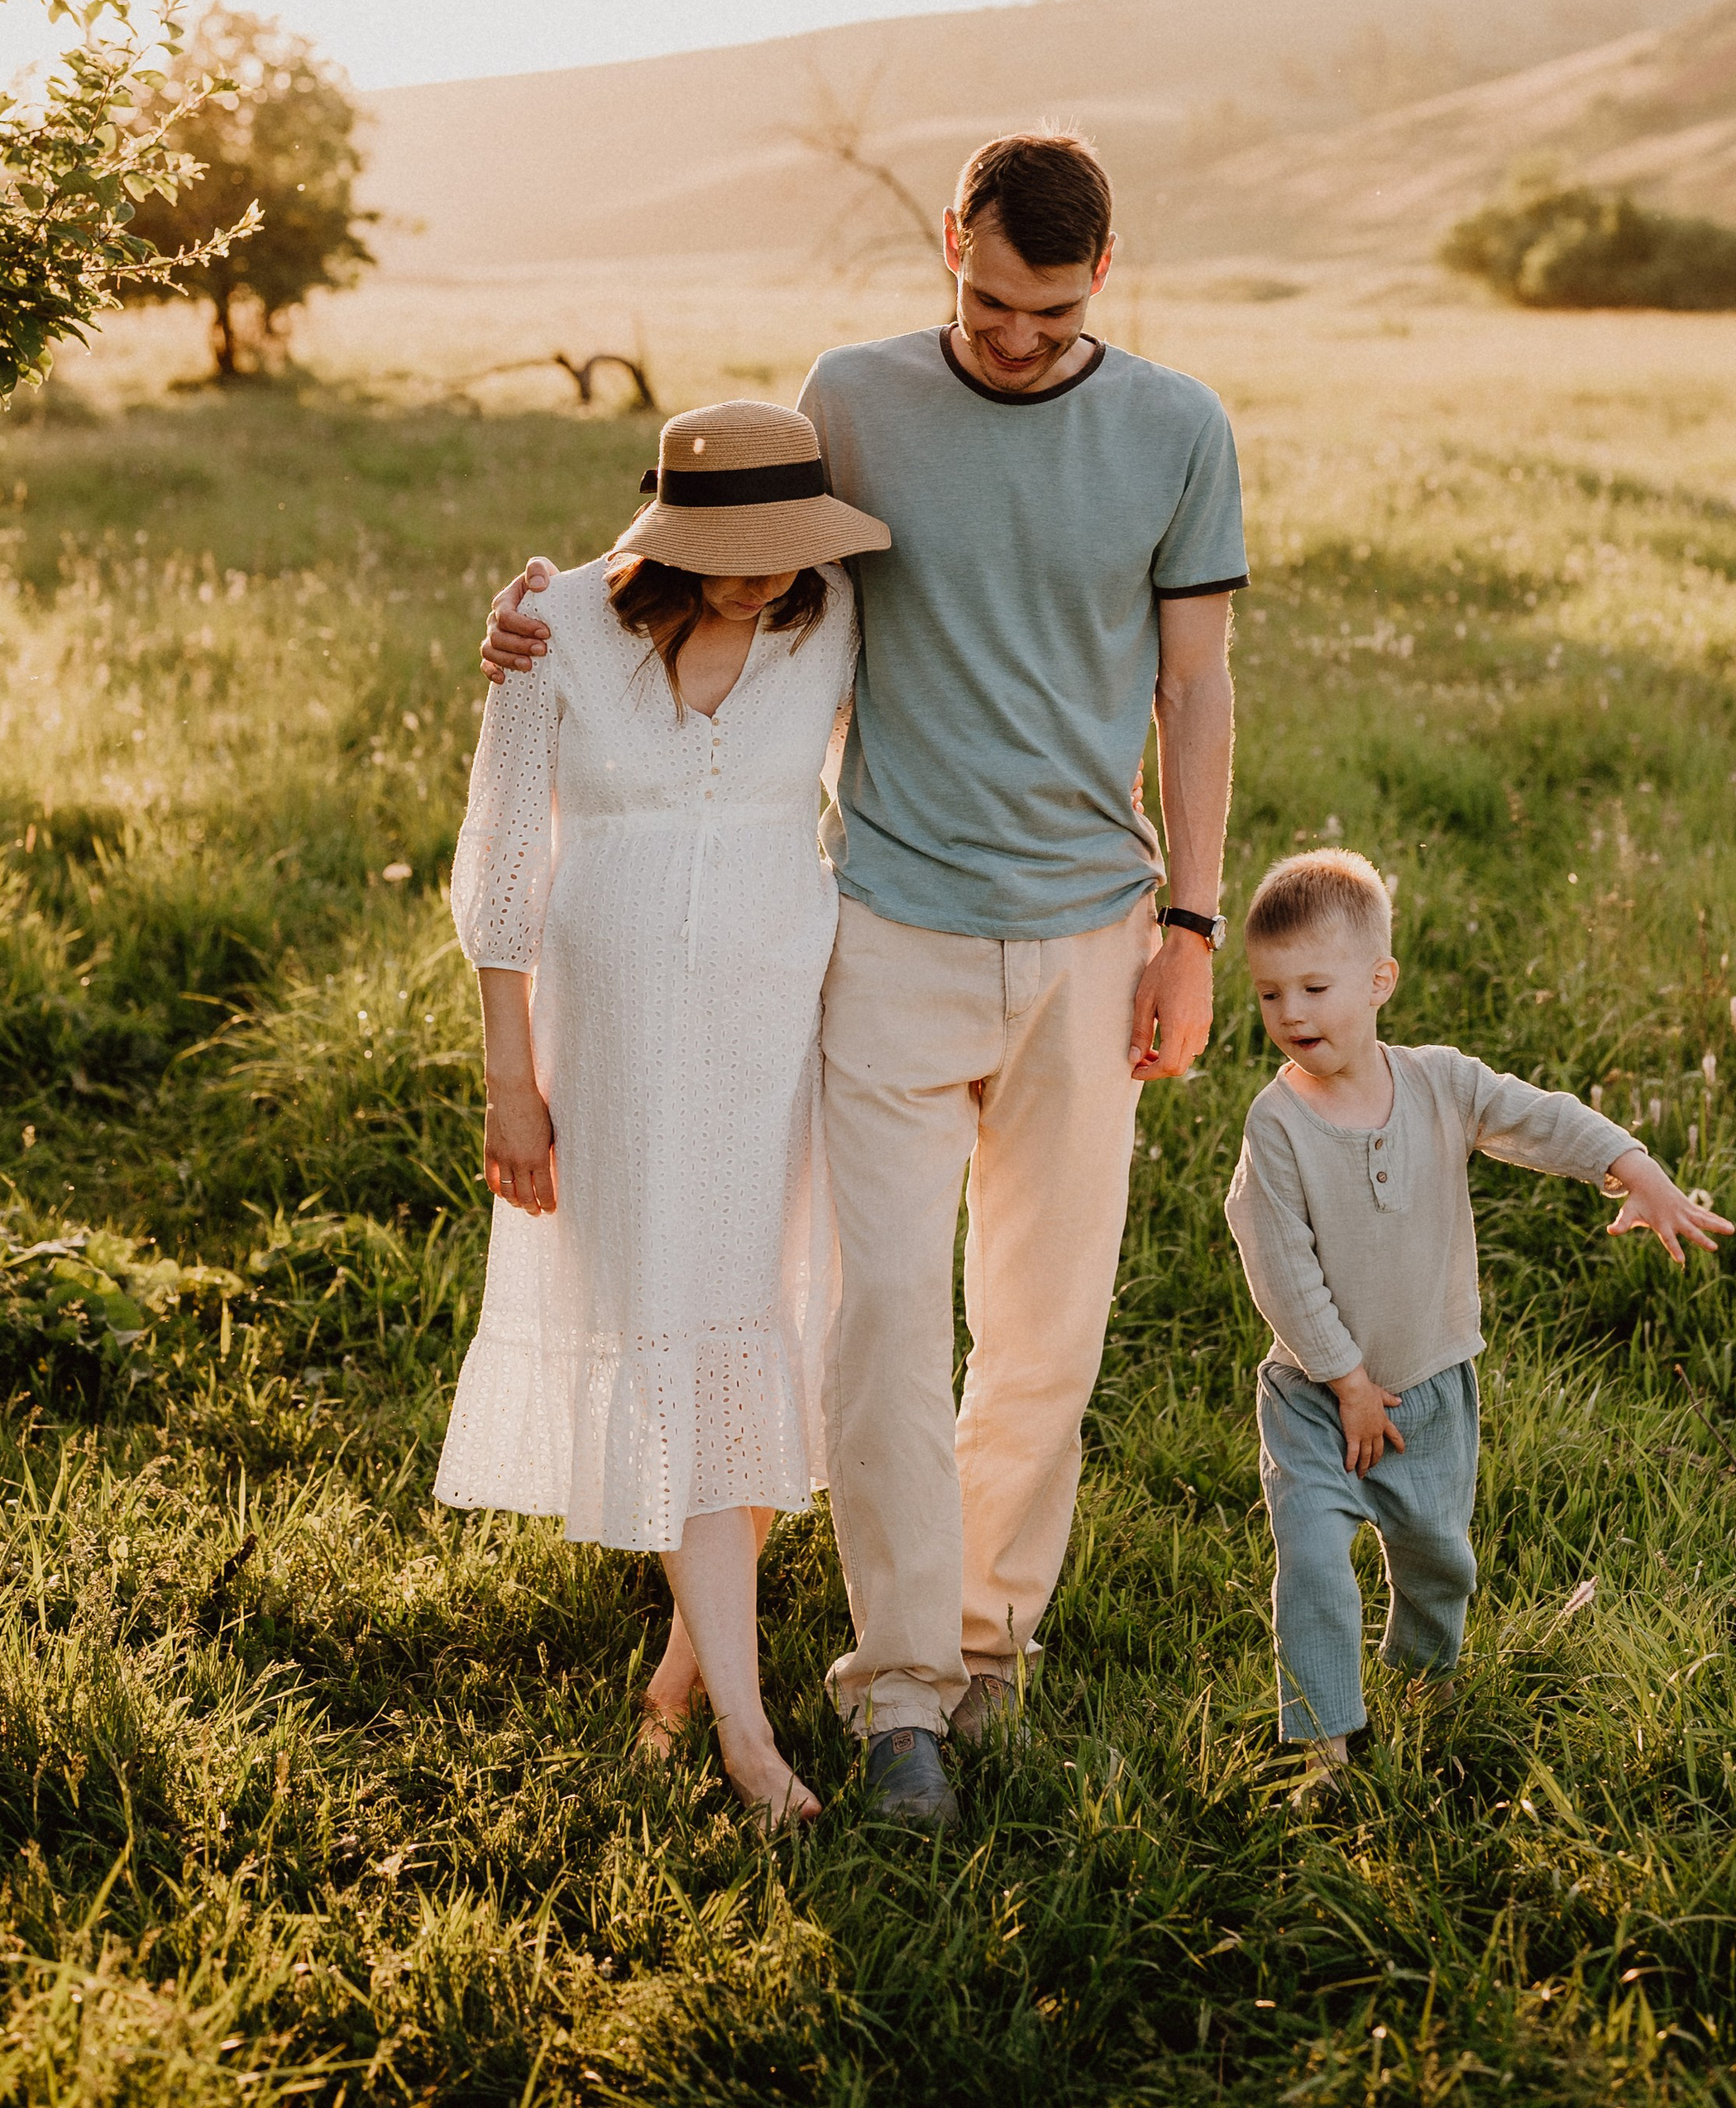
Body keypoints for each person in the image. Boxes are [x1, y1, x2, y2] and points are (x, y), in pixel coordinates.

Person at [485, 131, 1246, 1828]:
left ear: (1099, 280)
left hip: (1088, 929)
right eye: (982, 299)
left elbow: (1193, 694)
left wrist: (1187, 930)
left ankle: (989, 1652)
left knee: (1042, 1335)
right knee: (884, 1317)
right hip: (886, 921)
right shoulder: (858, 393)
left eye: (1044, 311)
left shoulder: (1176, 431)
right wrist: (541, 616)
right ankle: (897, 1690)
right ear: (947, 256)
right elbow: (704, 526)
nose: (1008, 335)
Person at [442, 399, 890, 1828]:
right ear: (668, 535)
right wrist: (516, 1077)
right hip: (618, 1040)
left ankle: (686, 1687)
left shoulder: (838, 621)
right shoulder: (554, 623)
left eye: (785, 551)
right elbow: (505, 864)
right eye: (736, 555)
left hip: (778, 1022)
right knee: (679, 1321)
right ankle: (754, 1748)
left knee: (760, 1324)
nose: (765, 579)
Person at [1224, 846, 1736, 1799]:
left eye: (1313, 986)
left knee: (1436, 1562)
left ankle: (1425, 1684)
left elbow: (1538, 1118)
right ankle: (1329, 1748)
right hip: (1315, 1397)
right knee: (1312, 1558)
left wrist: (1633, 1168)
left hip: (1427, 1388)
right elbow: (1279, 1268)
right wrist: (1342, 1379)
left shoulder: (1440, 1084)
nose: (1290, 1013)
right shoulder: (1275, 1125)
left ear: (1379, 982)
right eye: (1267, 994)